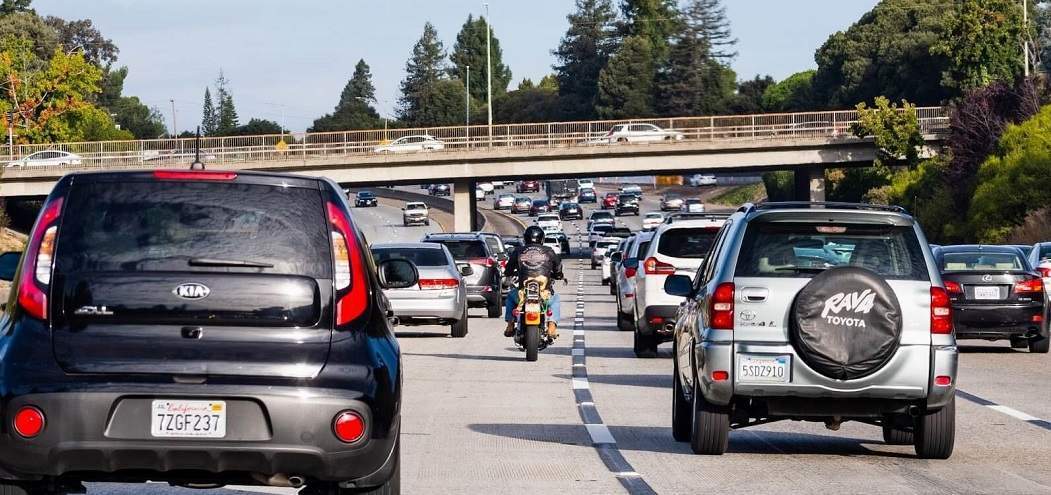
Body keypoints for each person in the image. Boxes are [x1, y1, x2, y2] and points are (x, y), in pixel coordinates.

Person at [504, 225, 563, 339]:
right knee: (555, 300)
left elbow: (508, 269)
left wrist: (509, 273)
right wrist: (559, 275)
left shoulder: (518, 251)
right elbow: (558, 267)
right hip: (544, 293)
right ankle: (551, 326)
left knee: (511, 297)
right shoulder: (549, 251)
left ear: (525, 238)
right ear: (542, 239)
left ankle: (510, 324)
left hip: (523, 294)